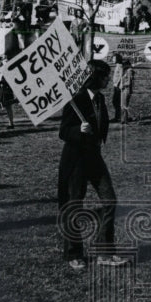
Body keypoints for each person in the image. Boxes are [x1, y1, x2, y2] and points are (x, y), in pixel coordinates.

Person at [58, 60, 125, 268]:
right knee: (74, 204)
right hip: (76, 159)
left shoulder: (100, 99)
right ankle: (73, 253)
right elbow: (63, 131)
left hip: (94, 157)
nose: (108, 79)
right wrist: (78, 130)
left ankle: (104, 251)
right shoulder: (76, 100)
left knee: (109, 200)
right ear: (95, 77)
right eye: (105, 76)